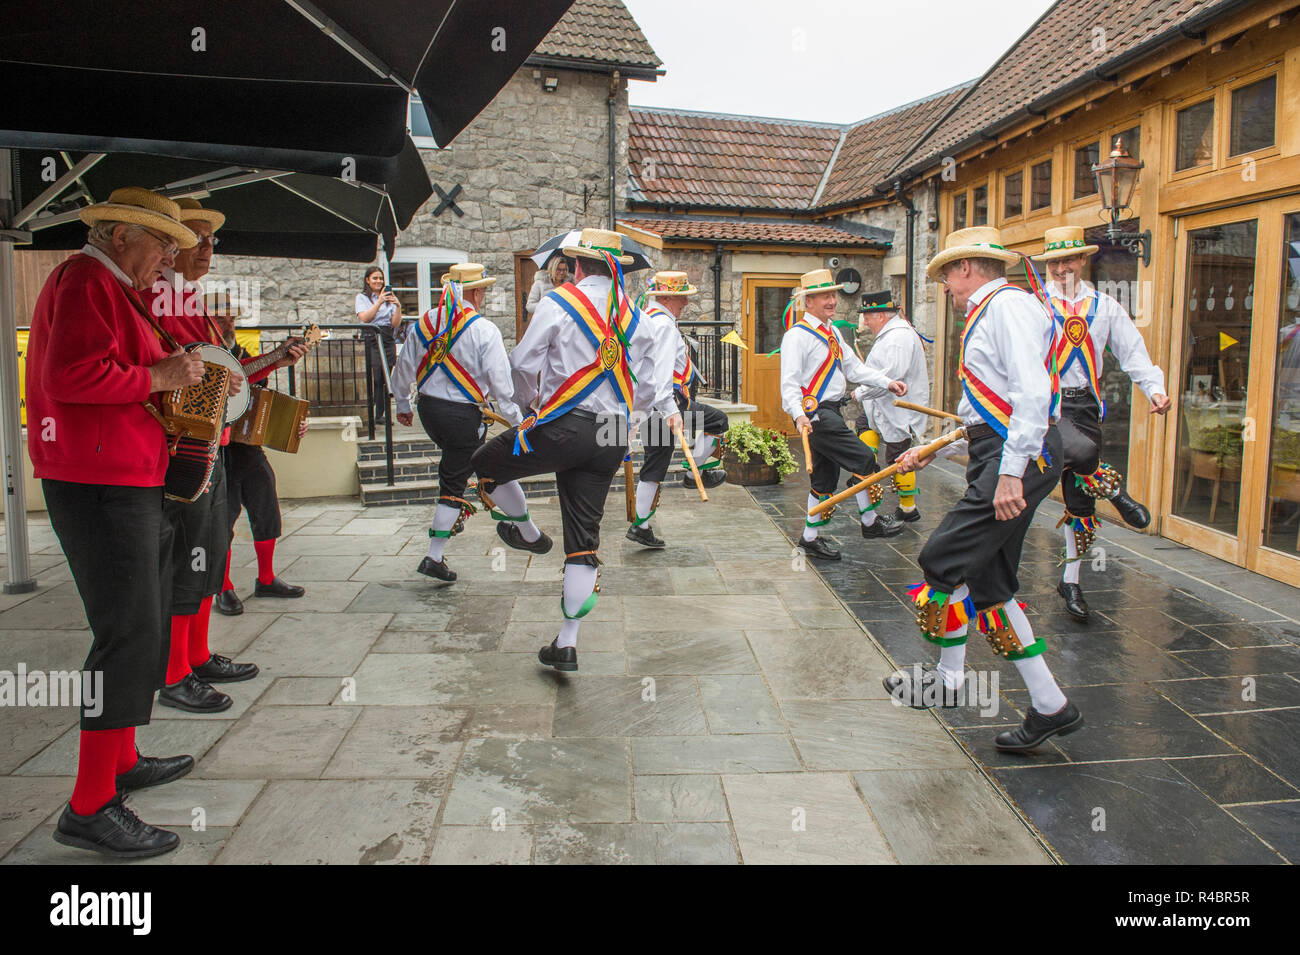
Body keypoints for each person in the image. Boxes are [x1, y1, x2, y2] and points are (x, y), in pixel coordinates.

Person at [26, 187, 203, 857]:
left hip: (123, 475)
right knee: (125, 630)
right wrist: (159, 375)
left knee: (140, 624)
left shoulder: (107, 286)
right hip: (98, 480)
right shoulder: (84, 280)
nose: (167, 257)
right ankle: (89, 803)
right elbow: (70, 374)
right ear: (119, 234)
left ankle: (120, 759)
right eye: (160, 242)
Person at [884, 226, 1080, 753]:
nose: (945, 286)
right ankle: (1051, 707)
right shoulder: (993, 311)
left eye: (946, 274)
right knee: (990, 584)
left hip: (1023, 455)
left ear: (966, 268)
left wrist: (1011, 472)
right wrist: (934, 451)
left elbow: (1034, 394)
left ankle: (947, 683)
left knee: (941, 559)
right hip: (1007, 451)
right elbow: (985, 415)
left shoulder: (1007, 308)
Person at [470, 228, 677, 672]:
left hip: (564, 426)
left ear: (577, 265)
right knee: (583, 540)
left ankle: (526, 532)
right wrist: (628, 418)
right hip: (610, 434)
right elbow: (650, 386)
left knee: (485, 464)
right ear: (617, 269)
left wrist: (529, 407)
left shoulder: (557, 303)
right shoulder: (636, 316)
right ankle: (566, 644)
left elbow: (522, 365)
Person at [143, 198, 266, 713]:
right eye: (195, 239)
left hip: (206, 441)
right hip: (183, 448)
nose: (206, 249)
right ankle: (175, 673)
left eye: (211, 240)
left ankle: (196, 655)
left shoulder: (189, 301)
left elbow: (217, 374)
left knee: (208, 554)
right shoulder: (155, 299)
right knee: (186, 560)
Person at [1032, 226, 1170, 621]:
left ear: (1082, 261)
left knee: (1080, 502)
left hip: (1087, 408)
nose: (1061, 268)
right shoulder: (1035, 305)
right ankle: (1117, 492)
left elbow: (1133, 353)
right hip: (1048, 409)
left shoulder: (1104, 305)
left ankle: (1071, 581)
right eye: (1054, 262)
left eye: (1069, 260)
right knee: (1080, 454)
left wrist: (1154, 389)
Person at [392, 263, 522, 581]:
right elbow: (502, 387)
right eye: (484, 292)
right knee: (454, 479)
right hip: (462, 416)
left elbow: (403, 368)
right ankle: (434, 555)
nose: (484, 297)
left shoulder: (424, 323)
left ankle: (507, 522)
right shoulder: (484, 330)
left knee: (472, 466)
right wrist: (519, 421)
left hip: (429, 412)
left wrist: (401, 402)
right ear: (475, 293)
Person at [780, 269, 908, 561]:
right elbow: (789, 382)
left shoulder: (833, 332)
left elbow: (854, 369)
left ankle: (809, 539)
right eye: (825, 295)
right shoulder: (796, 337)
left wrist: (886, 382)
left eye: (833, 294)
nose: (832, 300)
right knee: (863, 457)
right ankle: (870, 522)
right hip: (814, 415)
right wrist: (799, 415)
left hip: (829, 411)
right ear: (808, 301)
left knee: (824, 479)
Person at [210, 293, 310, 615]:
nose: (229, 324)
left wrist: (290, 424)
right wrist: (277, 357)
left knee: (265, 503)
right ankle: (221, 586)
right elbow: (231, 381)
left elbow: (260, 401)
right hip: (213, 449)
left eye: (232, 319)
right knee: (223, 519)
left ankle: (265, 578)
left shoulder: (240, 354)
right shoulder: (206, 355)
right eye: (221, 318)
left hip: (244, 446)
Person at [627, 270, 728, 549]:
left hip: (650, 405)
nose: (685, 303)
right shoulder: (664, 327)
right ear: (668, 296)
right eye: (682, 297)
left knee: (654, 465)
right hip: (668, 402)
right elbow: (661, 376)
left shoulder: (647, 319)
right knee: (719, 422)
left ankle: (641, 526)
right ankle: (694, 470)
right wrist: (672, 411)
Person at [852, 291, 931, 523]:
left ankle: (908, 509)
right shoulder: (890, 334)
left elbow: (891, 379)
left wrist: (859, 393)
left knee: (900, 457)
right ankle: (867, 471)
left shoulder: (899, 338)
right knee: (864, 426)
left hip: (899, 408)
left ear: (881, 315)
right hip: (880, 406)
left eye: (868, 316)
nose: (865, 321)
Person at [356, 265, 402, 424]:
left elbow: (395, 324)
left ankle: (381, 415)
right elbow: (365, 318)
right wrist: (379, 301)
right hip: (371, 336)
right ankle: (370, 412)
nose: (378, 281)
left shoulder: (388, 299)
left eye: (381, 278)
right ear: (367, 280)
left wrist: (398, 306)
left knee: (385, 377)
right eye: (375, 278)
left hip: (387, 337)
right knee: (374, 377)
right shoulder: (362, 298)